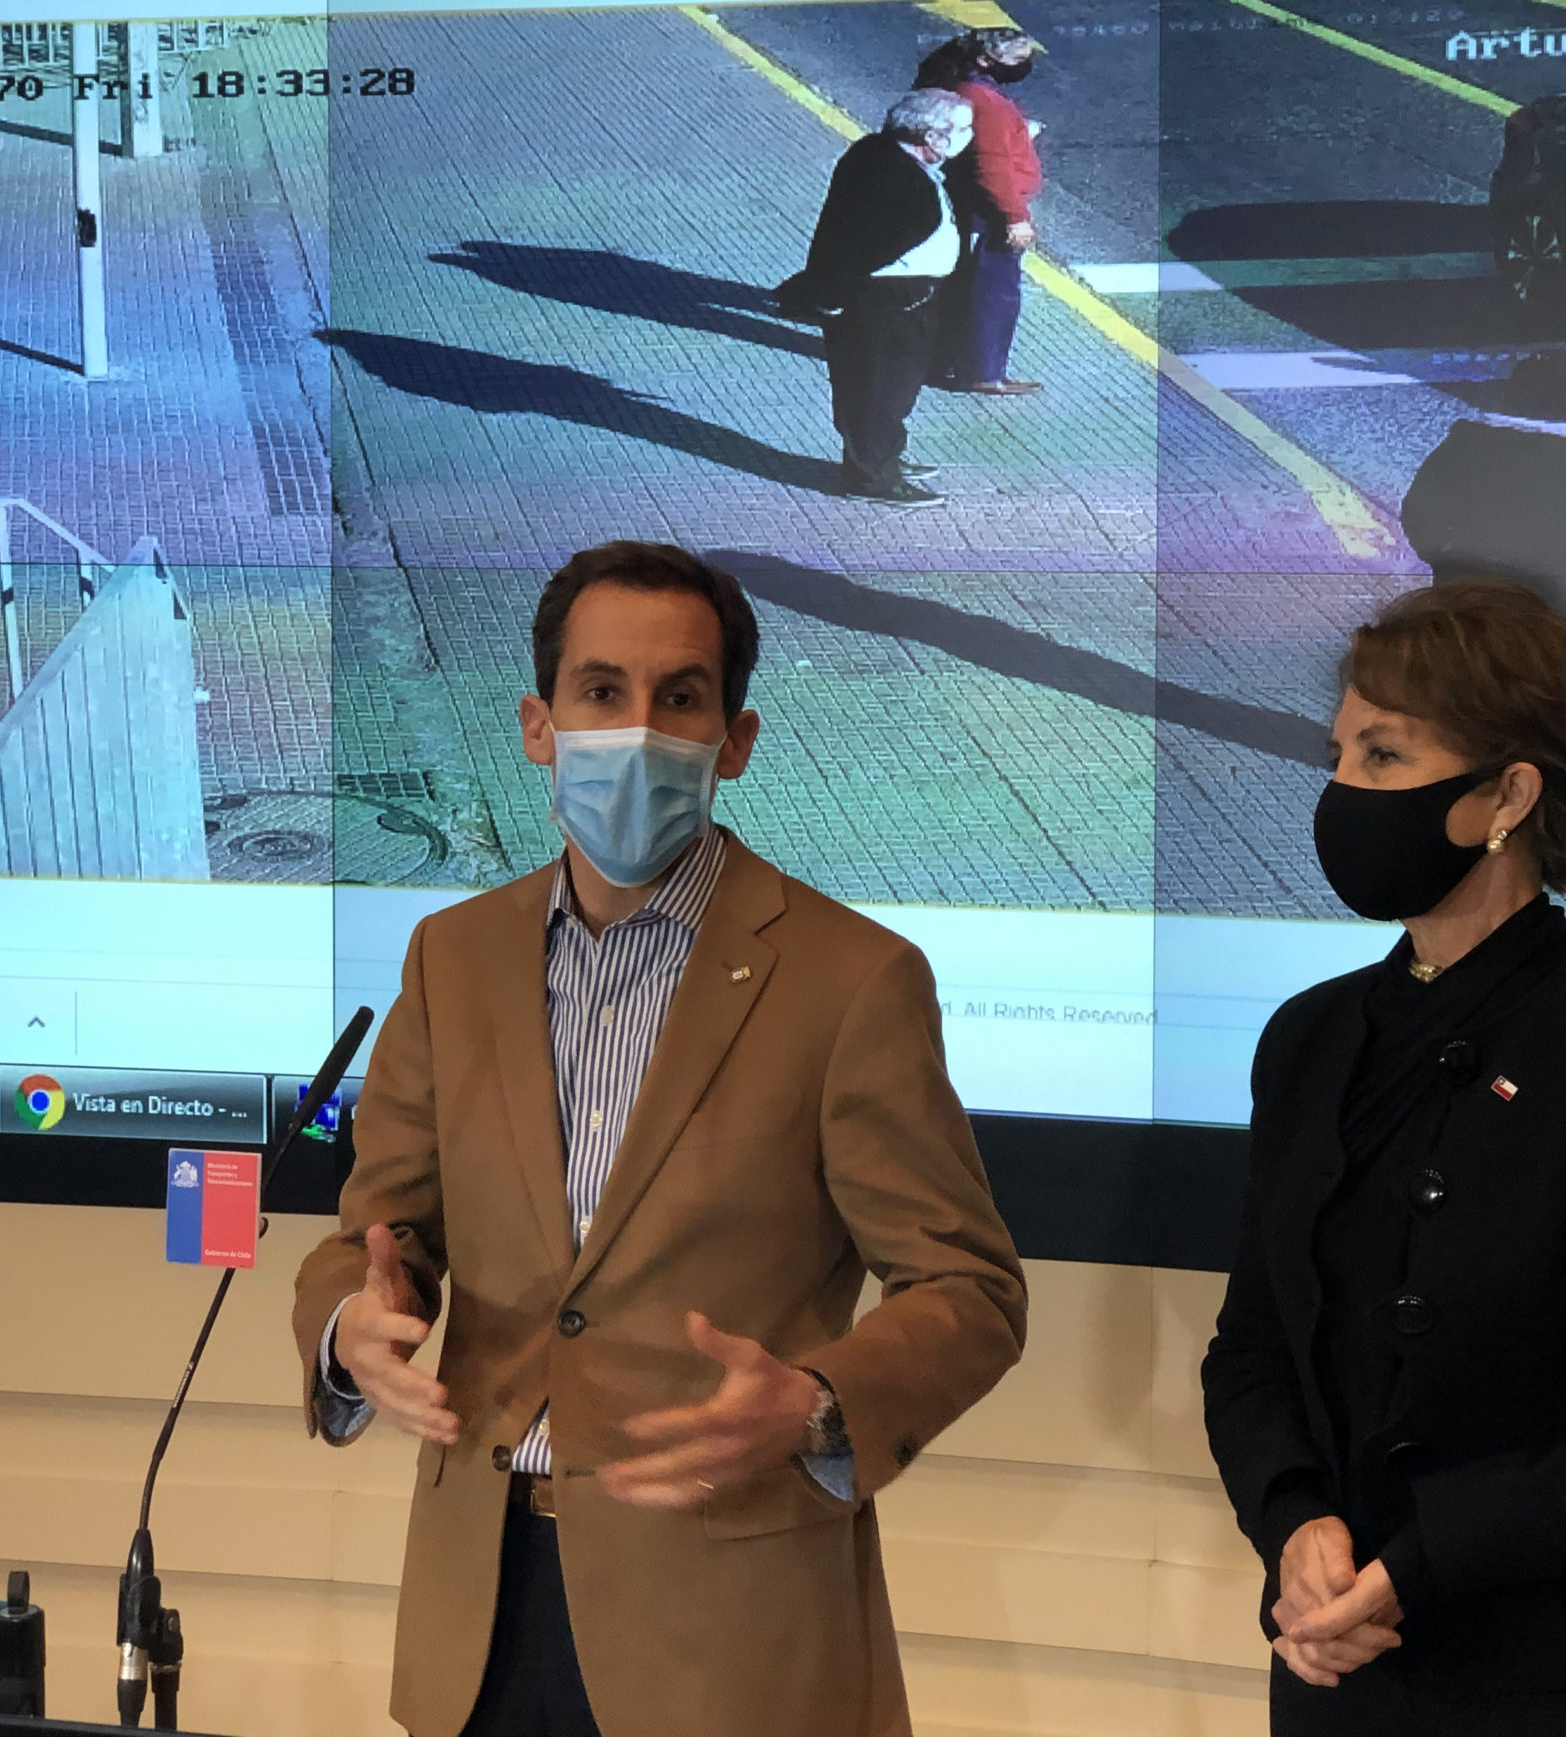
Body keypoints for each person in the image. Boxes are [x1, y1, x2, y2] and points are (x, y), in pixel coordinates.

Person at [292, 541, 1029, 1737]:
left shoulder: (852, 981)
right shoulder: (451, 959)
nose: (637, 730)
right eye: (601, 692)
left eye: (679, 697)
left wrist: (818, 1402)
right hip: (479, 1613)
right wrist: (348, 1326)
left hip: (727, 1638)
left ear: (733, 741)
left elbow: (971, 1289)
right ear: (538, 726)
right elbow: (380, 1234)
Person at [1200, 580, 1566, 1737]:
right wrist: (1294, 1524)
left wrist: (1429, 1558)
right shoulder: (1308, 1040)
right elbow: (1253, 1348)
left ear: (1508, 795)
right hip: (1338, 1665)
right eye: (1339, 754)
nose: (1341, 790)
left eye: (1382, 756)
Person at [1398, 350, 1566, 671]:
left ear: (1514, 392)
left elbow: (1420, 511)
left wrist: (1449, 563)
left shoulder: (1469, 443)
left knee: (1474, 685)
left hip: (1475, 605)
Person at [777, 90, 975, 505]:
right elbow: (857, 246)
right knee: (877, 390)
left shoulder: (883, 153)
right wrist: (828, 295)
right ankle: (872, 477)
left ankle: (882, 457)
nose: (968, 136)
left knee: (893, 387)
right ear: (931, 136)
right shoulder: (895, 179)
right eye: (961, 129)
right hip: (886, 302)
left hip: (903, 299)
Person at [913, 27, 1047, 396]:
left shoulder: (960, 88)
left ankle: (946, 361)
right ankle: (983, 371)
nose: (1025, 65)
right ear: (987, 60)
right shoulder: (986, 102)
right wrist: (1014, 217)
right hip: (990, 212)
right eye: (1018, 59)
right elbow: (991, 166)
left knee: (965, 285)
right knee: (993, 293)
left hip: (968, 204)